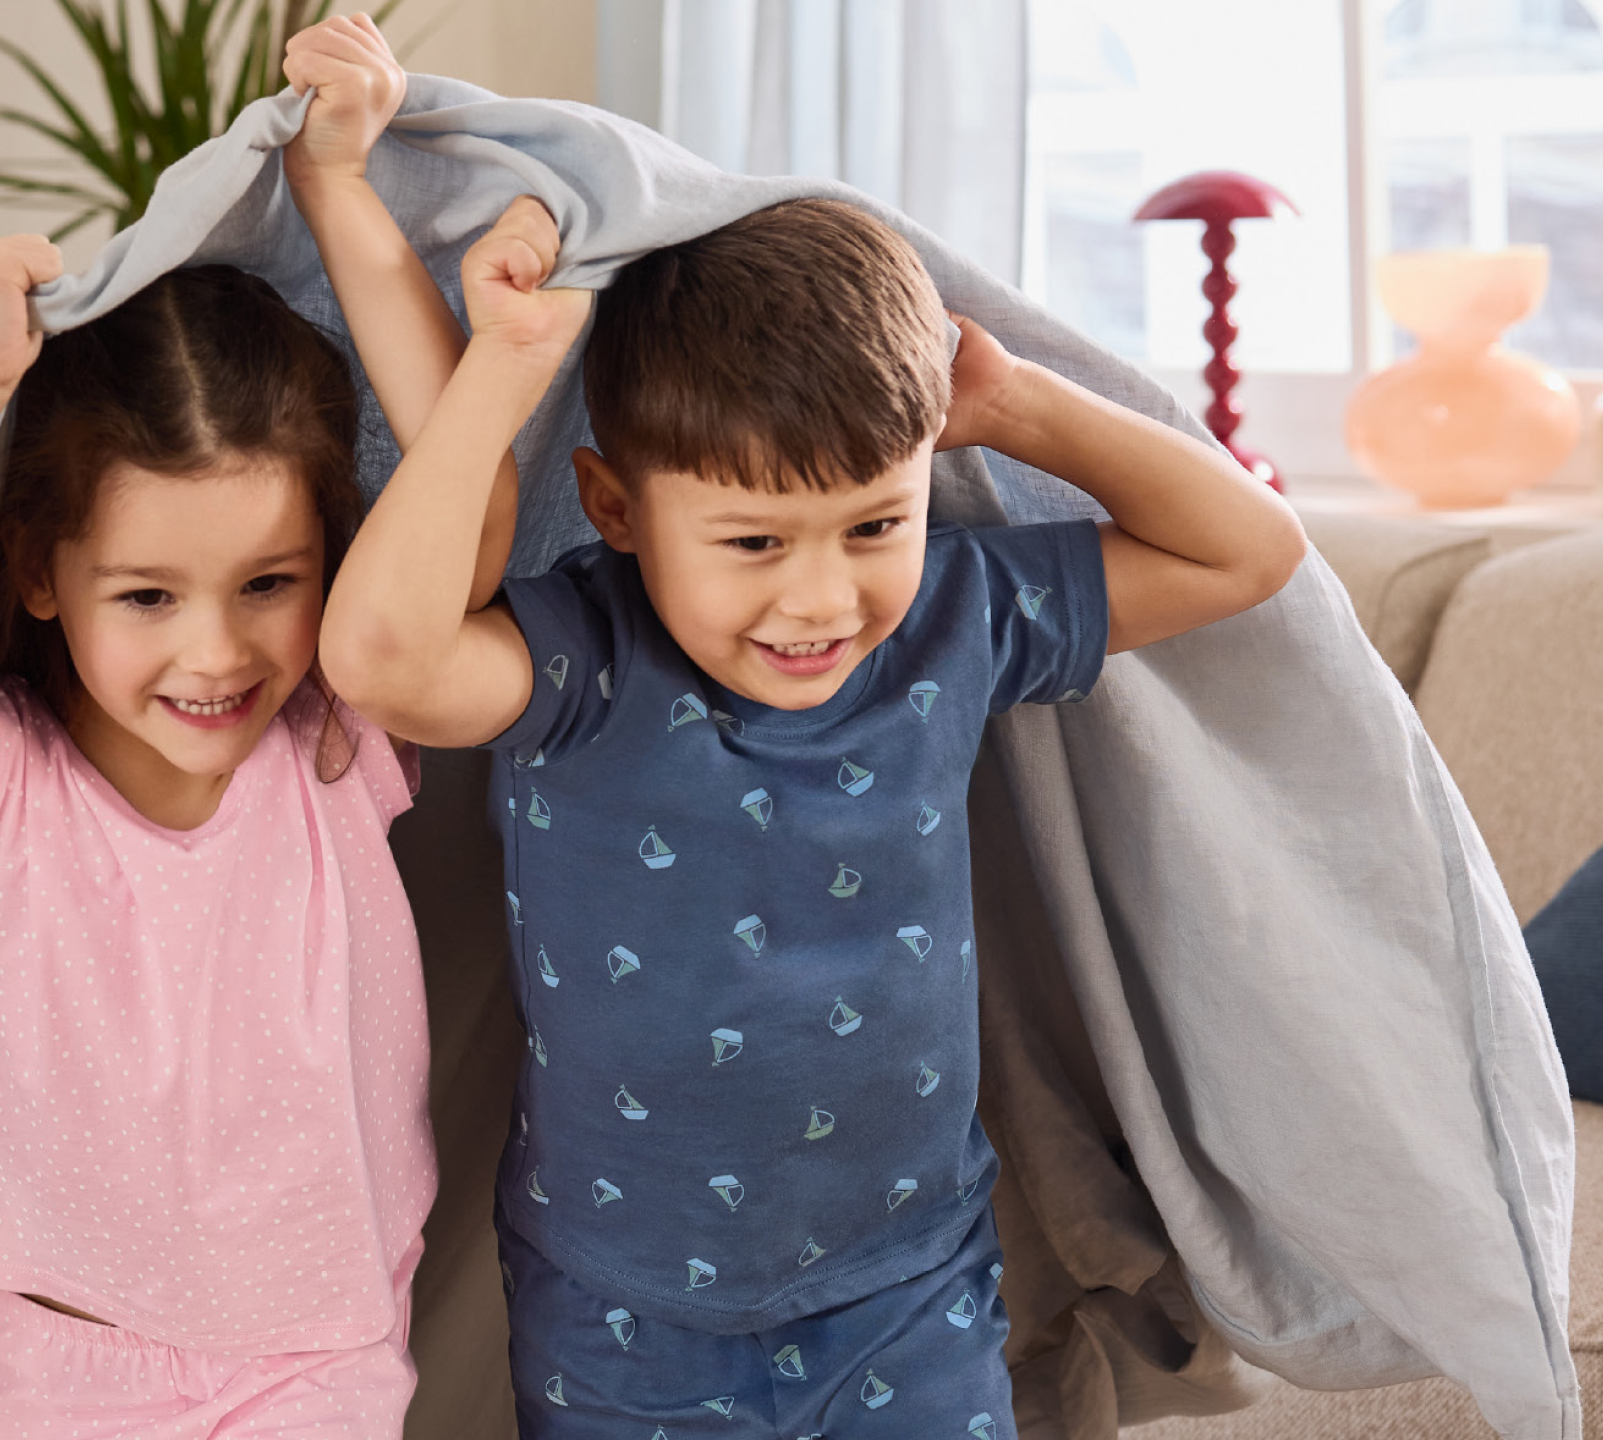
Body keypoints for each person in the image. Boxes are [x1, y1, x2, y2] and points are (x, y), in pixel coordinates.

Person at [317, 190, 1309, 1433]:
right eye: (753, 543)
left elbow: (1252, 553)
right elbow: (380, 661)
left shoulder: (956, 621)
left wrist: (1013, 407)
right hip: (623, 1314)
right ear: (616, 508)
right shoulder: (582, 656)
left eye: (874, 524)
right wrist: (505, 373)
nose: (821, 599)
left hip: (908, 1290)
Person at [0, 15, 494, 1435]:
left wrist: (342, 189)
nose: (216, 652)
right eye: (149, 595)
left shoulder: (338, 737)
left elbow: (464, 529)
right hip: (61, 1373)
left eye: (270, 584)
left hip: (324, 1362)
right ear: (40, 573)